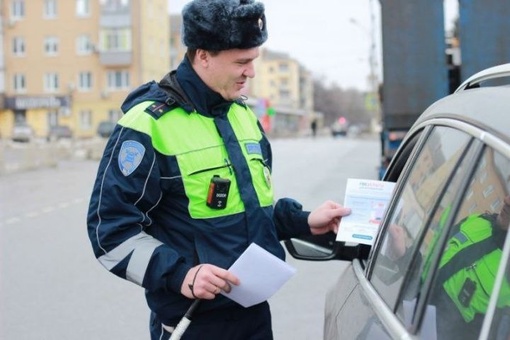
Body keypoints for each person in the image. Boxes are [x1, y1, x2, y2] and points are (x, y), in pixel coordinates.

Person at [86, 0, 351, 339]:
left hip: (253, 318)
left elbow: (249, 215)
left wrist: (303, 221)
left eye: (254, 60)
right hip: (192, 323)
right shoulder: (147, 125)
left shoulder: (243, 117)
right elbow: (110, 230)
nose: (251, 72)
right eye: (241, 62)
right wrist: (181, 275)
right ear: (203, 55)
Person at [388, 195, 510, 339]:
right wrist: (403, 254)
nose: (507, 200)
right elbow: (427, 272)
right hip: (395, 321)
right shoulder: (477, 221)